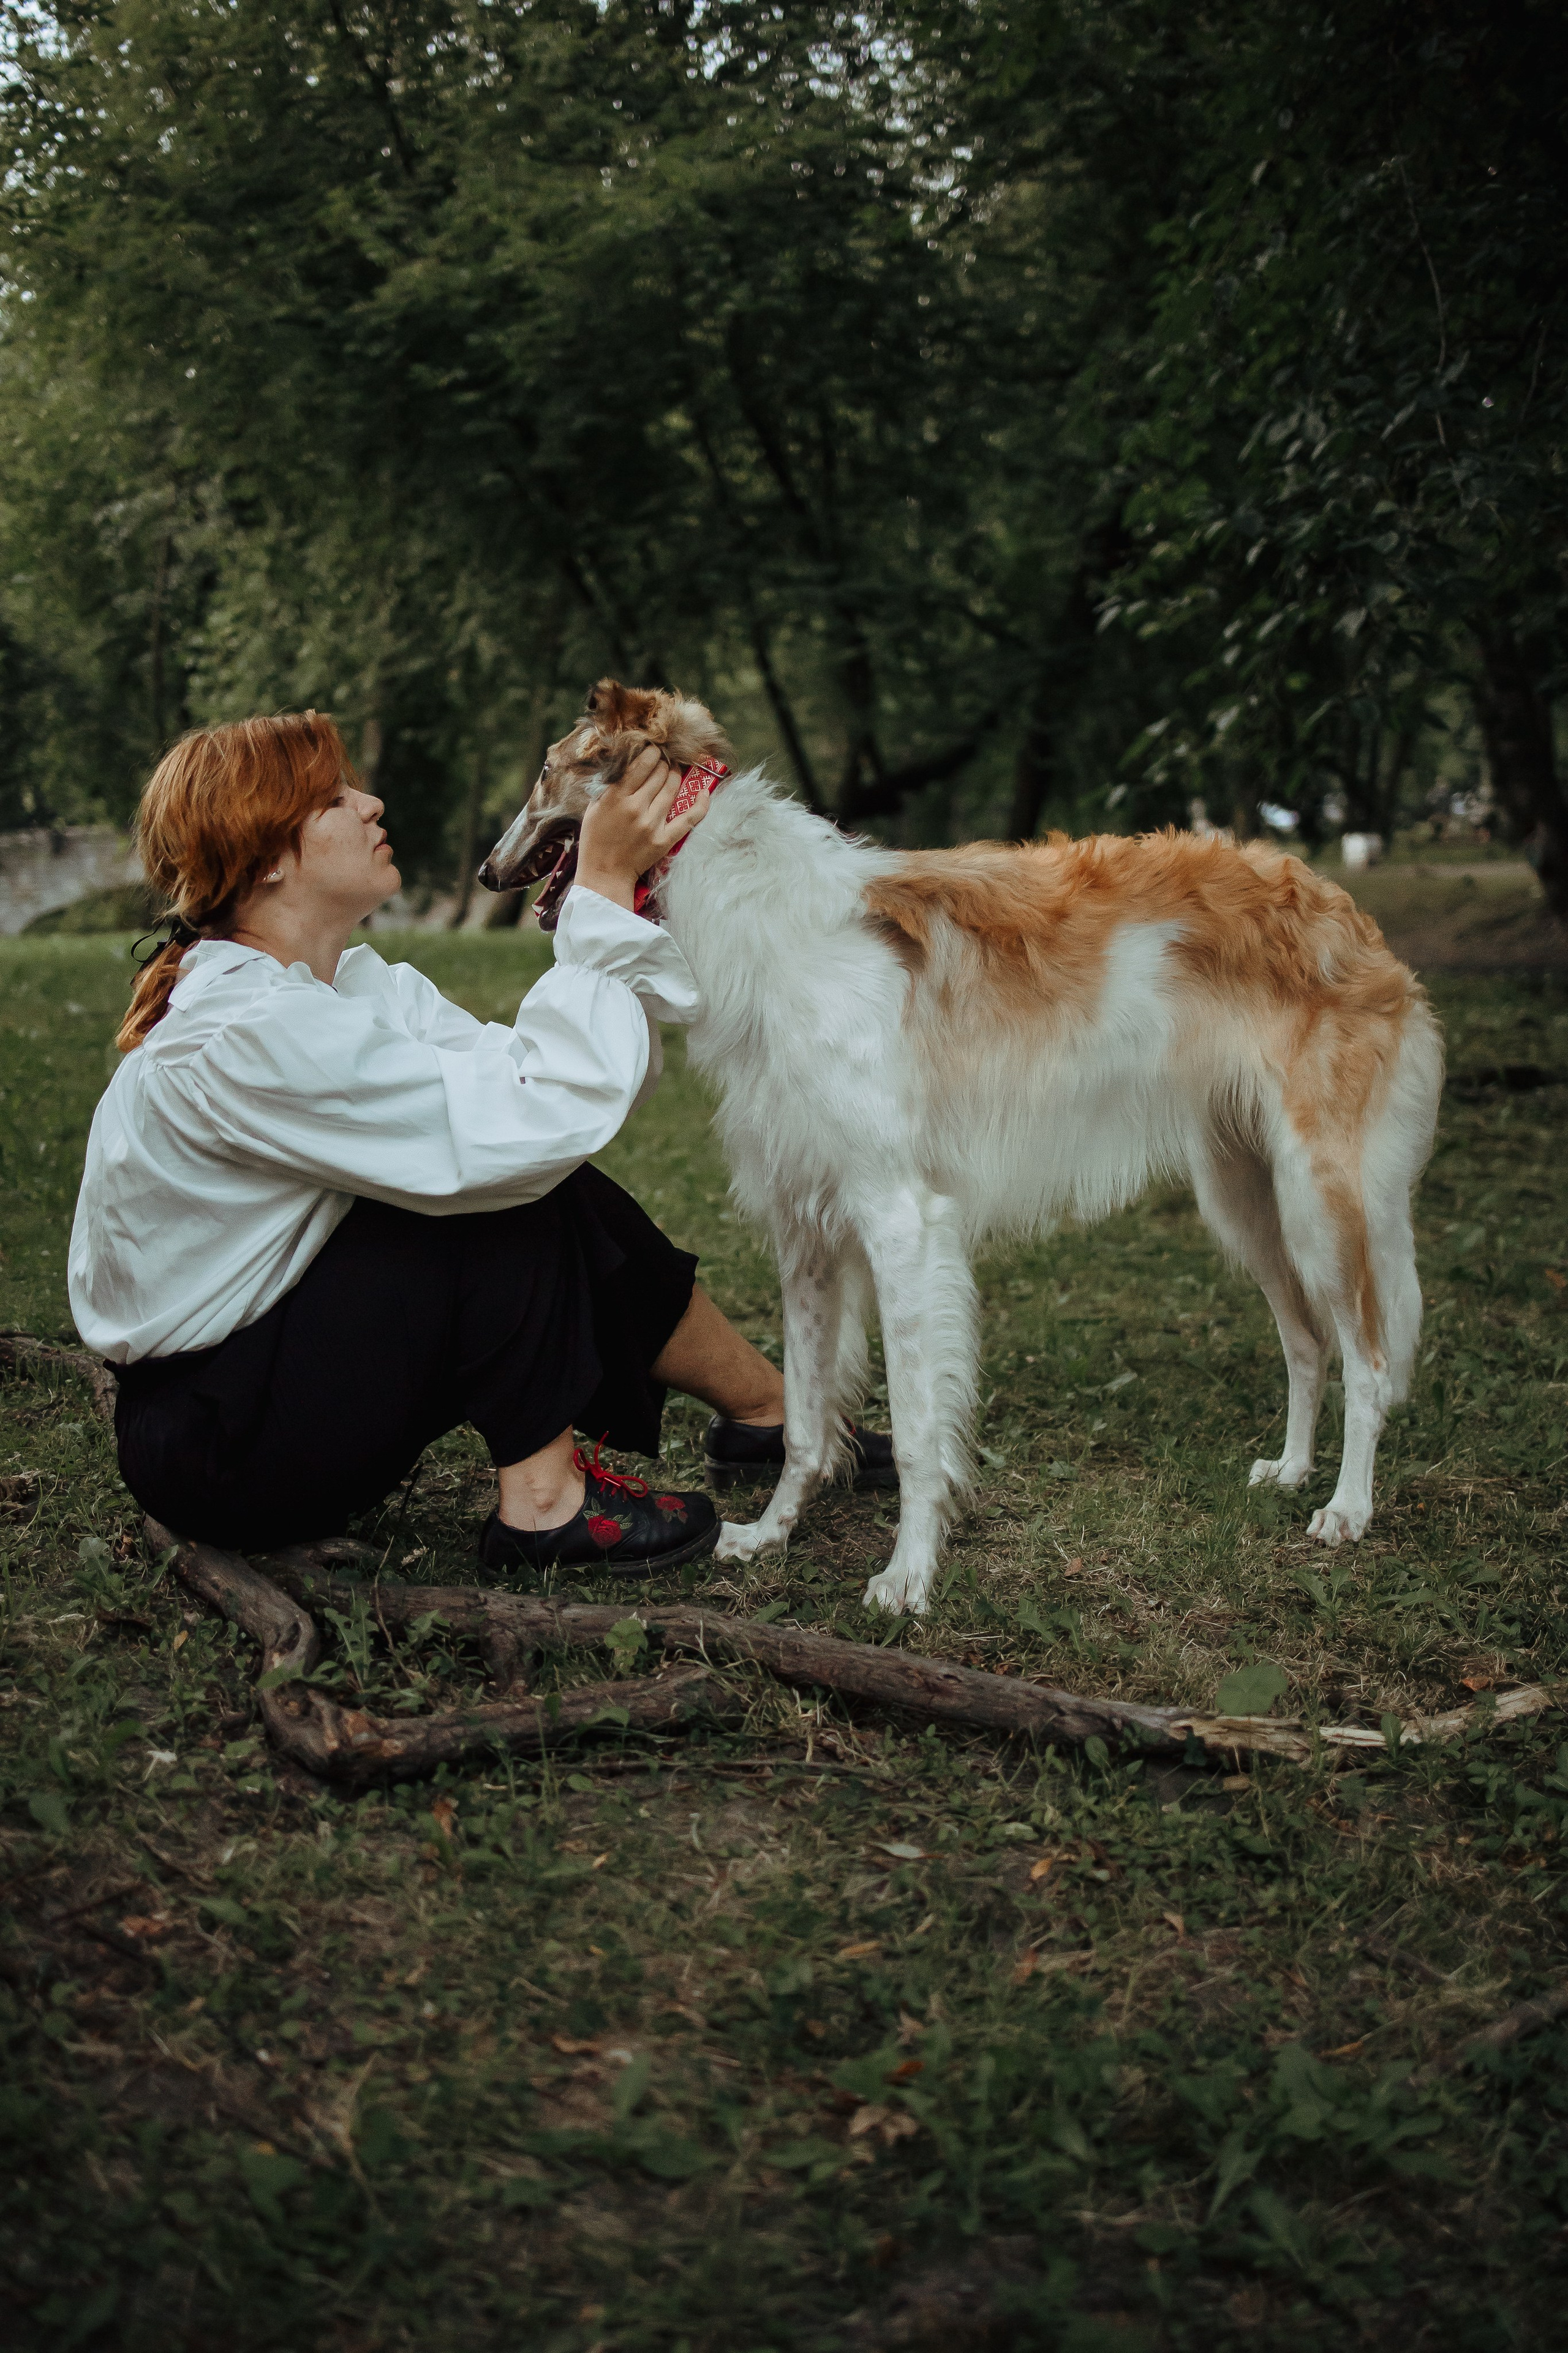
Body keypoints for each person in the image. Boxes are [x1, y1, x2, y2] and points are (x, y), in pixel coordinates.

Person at [68, 712, 891, 1579]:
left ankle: (772, 1412)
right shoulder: (247, 1031)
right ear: (270, 858)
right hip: (220, 1442)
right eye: (336, 799)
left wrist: (618, 892)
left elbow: (542, 1091)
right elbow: (522, 1128)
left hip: (265, 1378)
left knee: (545, 1179)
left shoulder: (347, 988)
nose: (372, 803)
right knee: (479, 1196)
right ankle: (544, 1508)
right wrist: (600, 882)